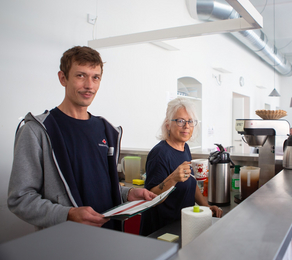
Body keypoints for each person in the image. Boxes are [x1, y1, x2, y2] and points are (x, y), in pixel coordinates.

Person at [8, 46, 156, 231]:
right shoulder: (37, 131)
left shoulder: (106, 130)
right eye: (81, 75)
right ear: (63, 78)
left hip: (109, 238)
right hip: (66, 243)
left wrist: (128, 194)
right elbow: (20, 198)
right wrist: (67, 215)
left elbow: (99, 187)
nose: (89, 85)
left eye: (96, 77)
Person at [140, 98, 223, 236]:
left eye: (190, 121)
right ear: (167, 124)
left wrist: (206, 206)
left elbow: (191, 181)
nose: (186, 126)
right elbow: (152, 199)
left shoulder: (185, 148)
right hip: (161, 231)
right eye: (180, 121)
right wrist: (173, 179)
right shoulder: (160, 153)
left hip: (182, 225)